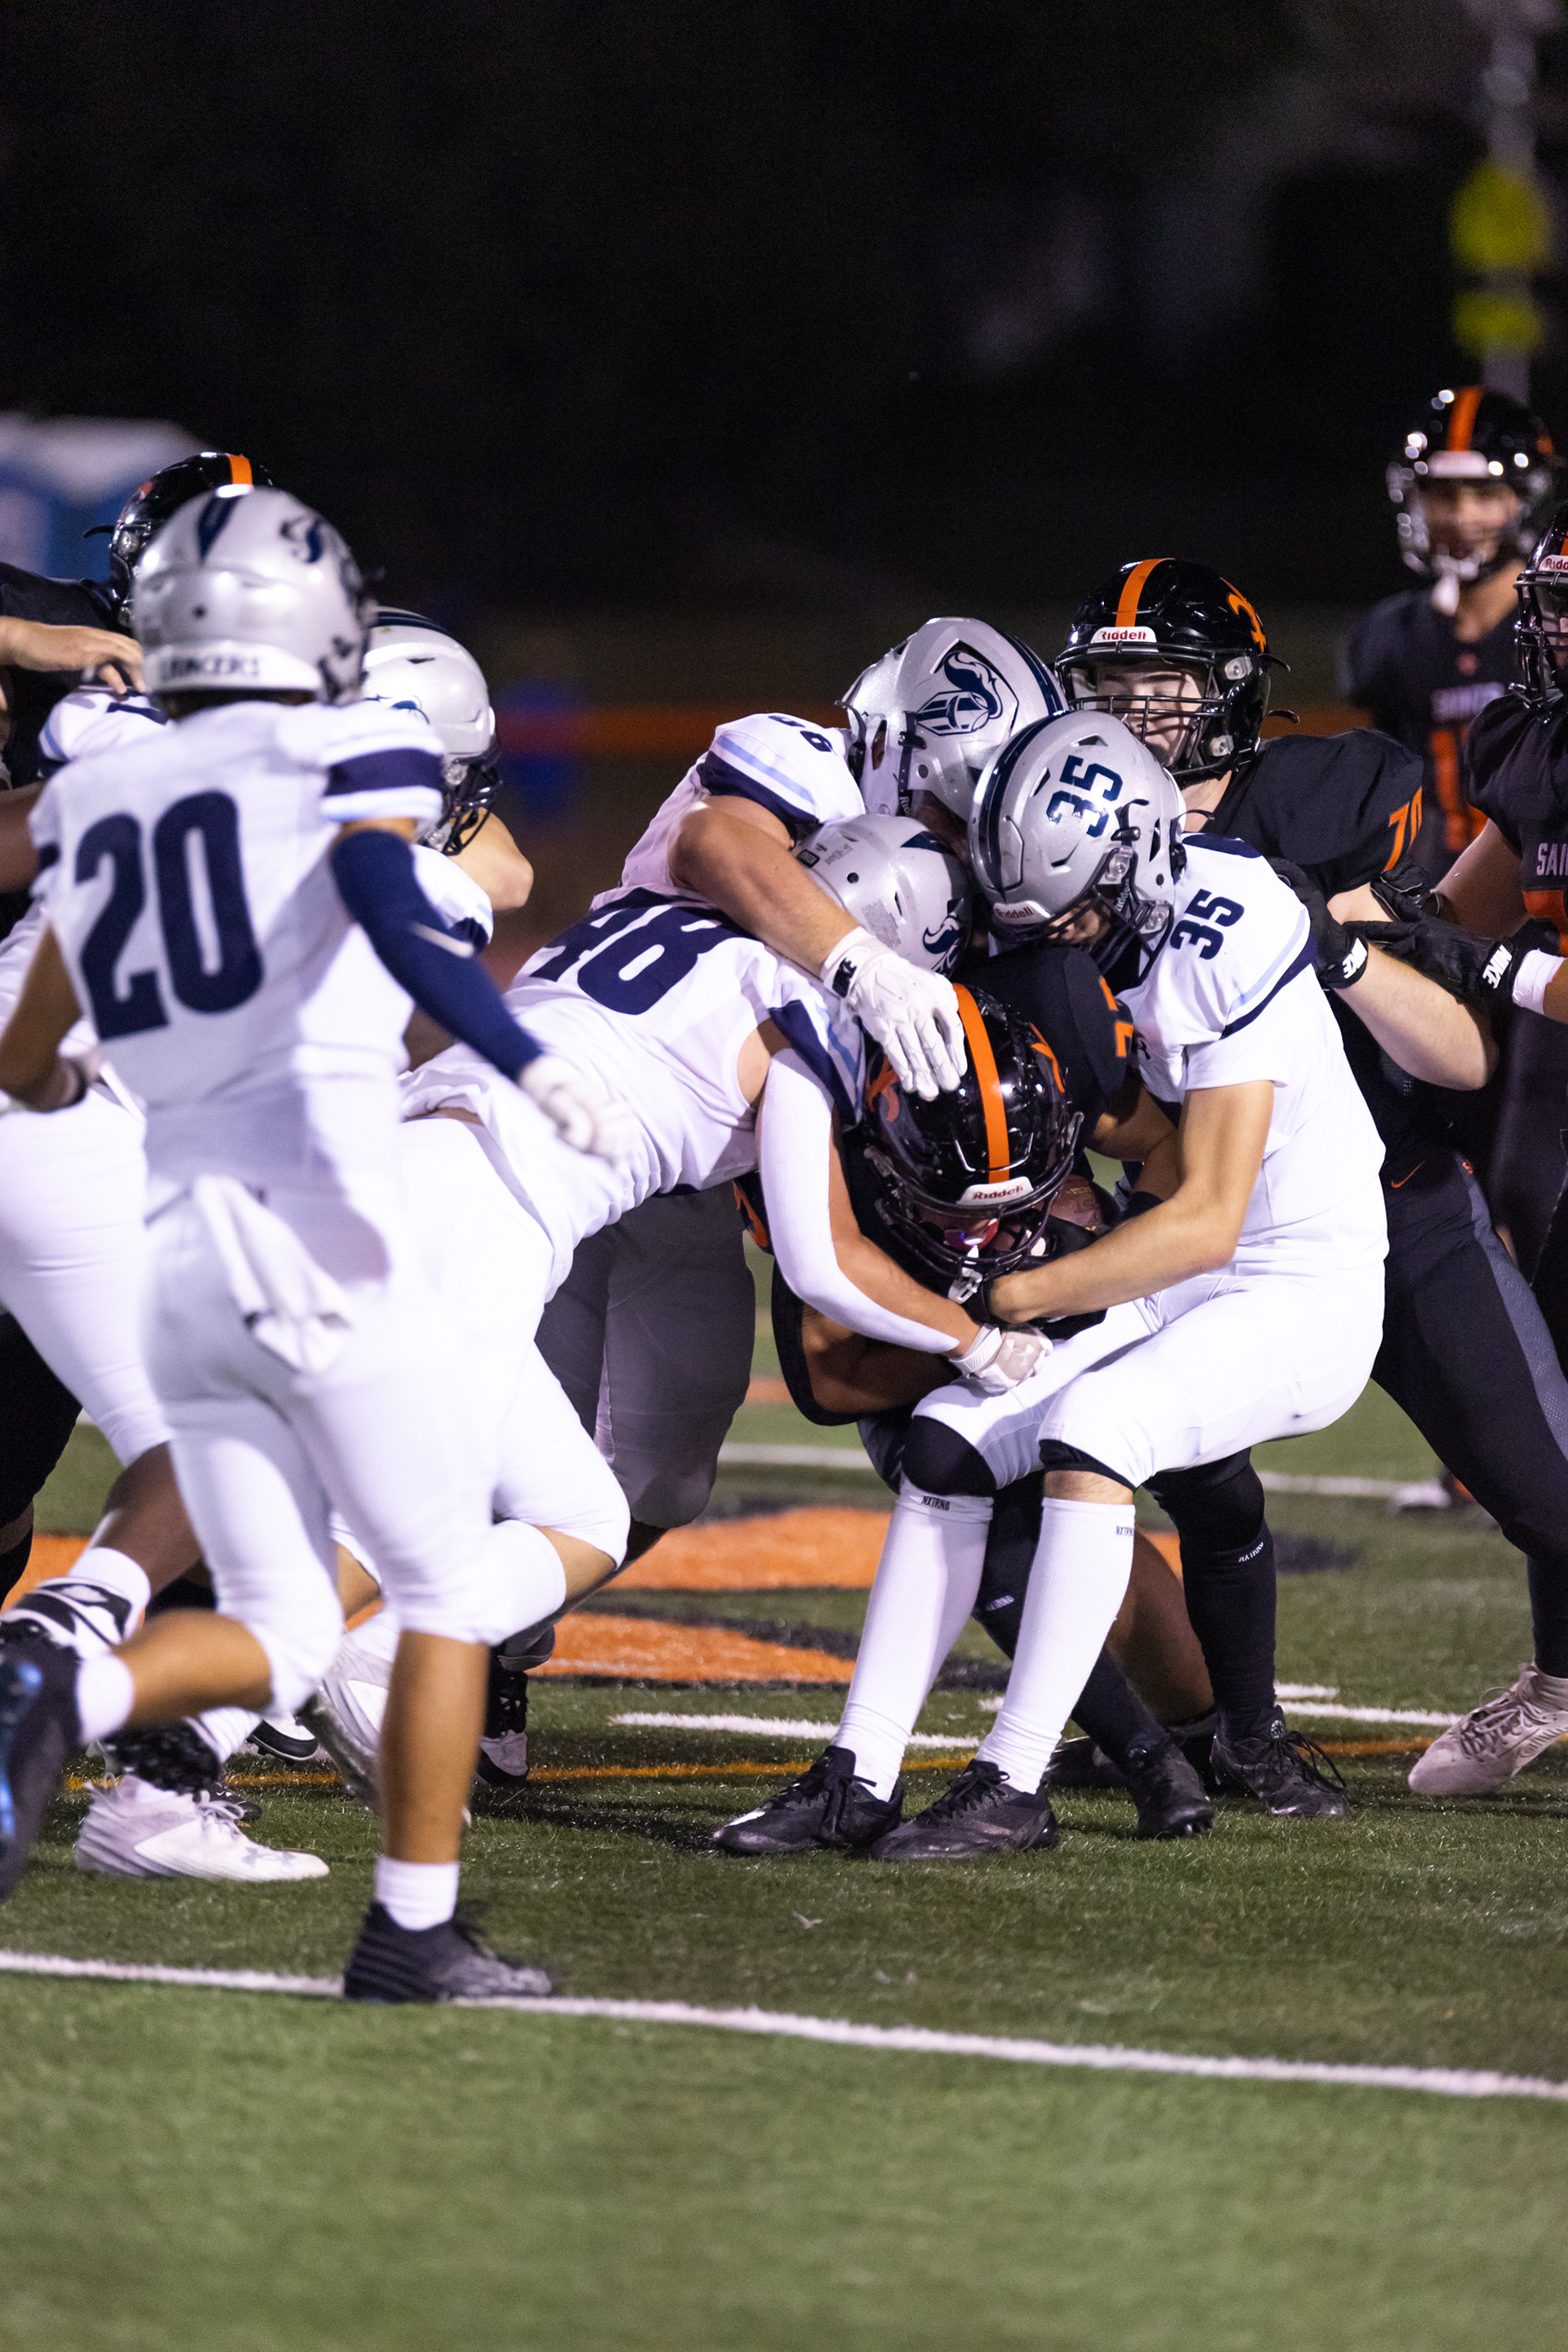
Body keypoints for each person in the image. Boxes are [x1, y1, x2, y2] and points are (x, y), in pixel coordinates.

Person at [0, 485, 630, 2004]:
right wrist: (527, 1058)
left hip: (92, 1171)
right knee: (429, 1576)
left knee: (281, 1604)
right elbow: (410, 916)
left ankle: (63, 1674)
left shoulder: (103, 778)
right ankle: (407, 1931)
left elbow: (33, 1050)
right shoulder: (363, 766)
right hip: (261, 1217)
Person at [720, 710, 1387, 1862]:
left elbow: (1209, 1216)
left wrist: (1011, 1300)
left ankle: (1012, 1782)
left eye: (1072, 911)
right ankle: (856, 1777)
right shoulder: (1100, 913)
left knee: (1095, 1427)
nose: (1056, 937)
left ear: (1138, 859)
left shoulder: (1229, 928)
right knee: (948, 1438)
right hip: (1183, 1266)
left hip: (1296, 1277)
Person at [1054, 556, 1568, 1794]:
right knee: (1097, 1461)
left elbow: (1456, 1046)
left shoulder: (1323, 796)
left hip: (1391, 1213)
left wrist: (1336, 943)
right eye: (1107, 688)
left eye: (1161, 685)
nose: (1130, 714)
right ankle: (1218, 1732)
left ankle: (1553, 1684)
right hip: (1193, 1220)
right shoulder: (1058, 830)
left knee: (1550, 1497)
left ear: (1229, 689)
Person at [535, 619, 1067, 1567]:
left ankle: (502, 1630)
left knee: (665, 1471)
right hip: (600, 1102)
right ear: (902, 751)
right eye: (955, 809)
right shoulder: (804, 764)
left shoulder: (956, 860)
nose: (968, 840)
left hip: (707, 1160)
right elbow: (715, 844)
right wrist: (859, 962)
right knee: (513, 1443)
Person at [1341, 388, 1568, 1278]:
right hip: (1484, 911)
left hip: (1533, 941)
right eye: (1442, 491)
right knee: (1474, 1175)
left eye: (1483, 492)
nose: (1462, 514)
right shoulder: (1408, 651)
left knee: (1532, 1184)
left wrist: (1497, 965)